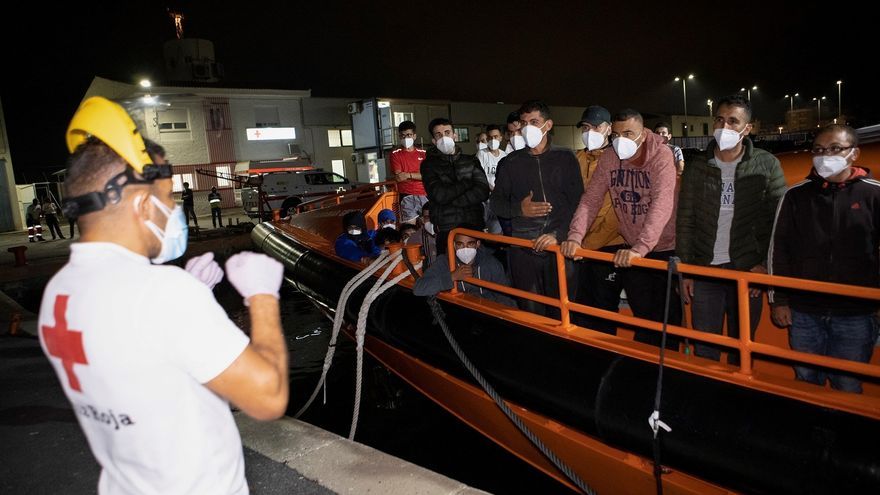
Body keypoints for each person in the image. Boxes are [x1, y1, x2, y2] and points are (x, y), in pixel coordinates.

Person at [41, 96, 288, 494]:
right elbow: (268, 397)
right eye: (168, 197)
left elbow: (144, 361)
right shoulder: (160, 294)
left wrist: (196, 297)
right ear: (142, 203)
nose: (172, 208)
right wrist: (262, 297)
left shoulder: (60, 289)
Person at [769, 124, 880, 393]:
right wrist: (779, 300)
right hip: (805, 310)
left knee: (848, 383)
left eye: (834, 148)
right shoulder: (795, 195)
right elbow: (779, 249)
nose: (825, 155)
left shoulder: (874, 194)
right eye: (818, 149)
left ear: (854, 153)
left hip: (857, 312)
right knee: (807, 381)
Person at [677, 95, 786, 364]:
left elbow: (778, 221)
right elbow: (686, 220)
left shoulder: (766, 165)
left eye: (733, 121)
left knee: (743, 351)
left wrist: (763, 266)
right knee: (705, 350)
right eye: (719, 119)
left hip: (746, 271)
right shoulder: (697, 166)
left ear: (747, 129)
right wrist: (685, 269)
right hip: (705, 271)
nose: (724, 126)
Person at [562, 109, 680, 348]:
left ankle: (667, 377)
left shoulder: (661, 156)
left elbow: (662, 203)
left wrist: (642, 246)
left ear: (643, 131)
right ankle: (640, 371)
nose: (621, 140)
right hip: (631, 248)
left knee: (667, 322)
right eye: (616, 134)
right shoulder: (610, 157)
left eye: (628, 133)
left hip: (662, 248)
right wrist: (575, 236)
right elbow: (591, 198)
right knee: (643, 318)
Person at [491, 100, 584, 317]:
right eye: (524, 123)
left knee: (561, 312)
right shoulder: (511, 162)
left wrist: (558, 235)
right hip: (523, 247)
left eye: (534, 121)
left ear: (548, 125)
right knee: (530, 312)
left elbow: (578, 203)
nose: (527, 127)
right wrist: (518, 210)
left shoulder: (566, 158)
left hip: (559, 249)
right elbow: (496, 203)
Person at [570, 105, 624, 334]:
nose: (589, 131)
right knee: (580, 305)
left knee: (604, 308)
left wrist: (586, 246)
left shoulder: (620, 159)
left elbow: (616, 213)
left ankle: (607, 357)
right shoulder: (577, 158)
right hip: (579, 247)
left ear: (609, 129)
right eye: (585, 126)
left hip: (608, 246)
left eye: (596, 126)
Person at [420, 117, 490, 254]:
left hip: (474, 226)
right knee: (449, 272)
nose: (444, 137)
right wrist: (467, 183)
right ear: (434, 141)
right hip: (446, 229)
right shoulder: (428, 165)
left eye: (447, 132)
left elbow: (483, 191)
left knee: (479, 271)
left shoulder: (471, 161)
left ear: (455, 135)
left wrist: (454, 200)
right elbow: (439, 195)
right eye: (438, 135)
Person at [413, 230, 515, 307]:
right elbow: (419, 288)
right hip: (457, 310)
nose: (465, 249)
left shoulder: (491, 263)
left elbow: (505, 296)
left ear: (477, 244)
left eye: (470, 244)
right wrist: (452, 277)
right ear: (453, 245)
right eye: (460, 244)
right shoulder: (444, 262)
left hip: (485, 311)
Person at [389, 121, 428, 223]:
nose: (406, 138)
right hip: (406, 196)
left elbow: (427, 176)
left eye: (409, 135)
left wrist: (408, 175)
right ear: (399, 137)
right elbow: (399, 177)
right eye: (403, 135)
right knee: (410, 230)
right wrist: (418, 175)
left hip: (425, 194)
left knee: (429, 228)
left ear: (414, 136)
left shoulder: (424, 154)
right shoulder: (395, 154)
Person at [477, 124, 508, 234]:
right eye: (490, 138)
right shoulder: (482, 154)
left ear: (500, 137)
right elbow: (480, 176)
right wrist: (492, 189)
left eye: (495, 137)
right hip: (486, 199)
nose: (493, 140)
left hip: (499, 200)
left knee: (497, 230)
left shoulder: (504, 155)